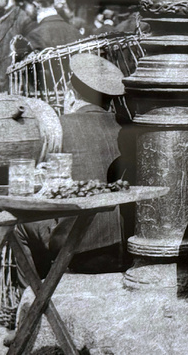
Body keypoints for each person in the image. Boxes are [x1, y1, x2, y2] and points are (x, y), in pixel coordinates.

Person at [15, 54, 127, 282]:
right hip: (124, 246)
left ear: (70, 94)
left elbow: (43, 188)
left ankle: (36, 294)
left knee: (19, 224)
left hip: (78, 248)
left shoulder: (60, 127)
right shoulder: (126, 126)